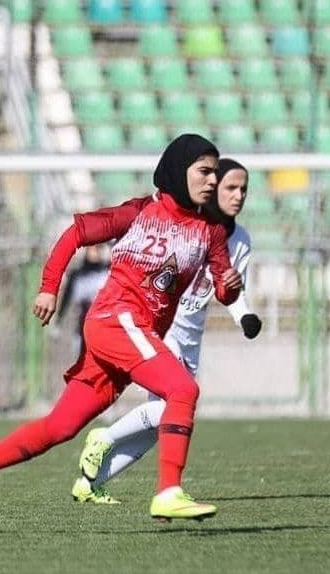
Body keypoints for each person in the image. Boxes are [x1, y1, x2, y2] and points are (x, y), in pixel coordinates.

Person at [0, 134, 242, 521]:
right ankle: (168, 492)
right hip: (114, 320)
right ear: (179, 171)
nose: (213, 180)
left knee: (59, 427)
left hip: (130, 335)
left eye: (216, 172)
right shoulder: (138, 213)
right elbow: (75, 234)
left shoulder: (210, 230)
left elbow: (222, 288)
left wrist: (230, 287)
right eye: (204, 171)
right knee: (182, 387)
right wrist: (49, 289)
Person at [70, 158, 262, 505]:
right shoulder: (188, 224)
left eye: (243, 189)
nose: (238, 196)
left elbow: (230, 289)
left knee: (158, 427)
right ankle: (106, 439)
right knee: (175, 403)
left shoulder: (241, 240)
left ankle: (90, 481)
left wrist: (244, 315)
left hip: (192, 336)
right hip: (163, 328)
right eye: (230, 187)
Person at [55, 243, 109, 354]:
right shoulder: (77, 275)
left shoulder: (107, 271)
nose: (95, 251)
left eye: (98, 248)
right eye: (92, 248)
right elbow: (67, 298)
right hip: (83, 328)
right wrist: (59, 320)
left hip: (105, 327)